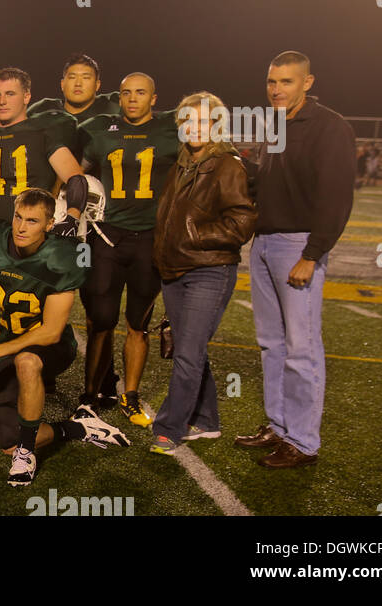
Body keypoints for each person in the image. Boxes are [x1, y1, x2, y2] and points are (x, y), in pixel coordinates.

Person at [0, 189, 131, 485]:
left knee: (27, 362)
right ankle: (76, 428)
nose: (21, 227)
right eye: (18, 217)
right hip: (7, 341)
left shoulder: (61, 258)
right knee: (7, 442)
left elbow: (51, 332)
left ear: (49, 225)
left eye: (32, 221)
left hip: (50, 346)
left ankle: (26, 454)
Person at [238, 51, 356, 468]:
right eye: (272, 81)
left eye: (286, 82)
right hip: (264, 243)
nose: (276, 89)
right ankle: (278, 425)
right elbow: (265, 182)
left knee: (301, 348)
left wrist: (312, 253)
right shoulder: (273, 124)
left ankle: (303, 441)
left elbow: (337, 197)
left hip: (297, 246)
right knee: (271, 344)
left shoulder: (330, 127)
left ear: (307, 82)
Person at [149, 92, 257, 456]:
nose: (194, 129)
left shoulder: (227, 164)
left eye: (202, 121)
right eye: (187, 121)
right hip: (176, 269)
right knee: (188, 349)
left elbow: (242, 222)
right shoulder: (182, 163)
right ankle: (207, 420)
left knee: (188, 354)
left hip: (209, 270)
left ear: (216, 125)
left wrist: (194, 236)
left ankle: (168, 427)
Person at [75, 72, 179, 426]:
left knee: (138, 323)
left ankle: (130, 395)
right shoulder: (103, 132)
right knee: (100, 320)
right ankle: (90, 395)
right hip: (105, 238)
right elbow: (76, 176)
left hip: (149, 240)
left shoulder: (171, 132)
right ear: (118, 97)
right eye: (126, 93)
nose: (132, 98)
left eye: (140, 92)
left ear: (154, 97)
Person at [0, 68, 88, 237]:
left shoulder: (43, 134)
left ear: (26, 97)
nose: (2, 101)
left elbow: (76, 178)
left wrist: (71, 219)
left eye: (10, 94)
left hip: (34, 235)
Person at [27, 53, 120, 124]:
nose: (78, 84)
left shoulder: (113, 104)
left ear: (97, 85)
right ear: (62, 84)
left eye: (86, 78)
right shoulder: (43, 109)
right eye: (72, 77)